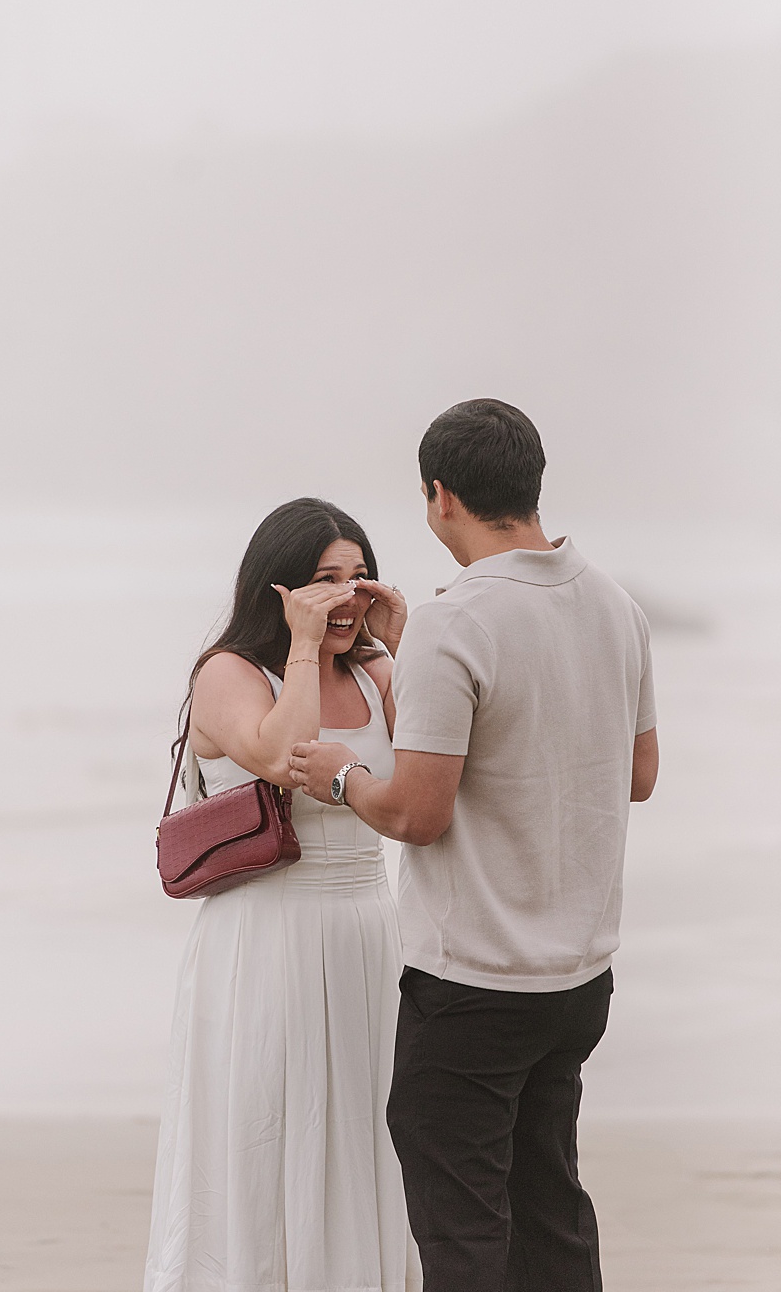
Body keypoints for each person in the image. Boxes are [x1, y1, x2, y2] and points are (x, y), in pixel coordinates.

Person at [290, 400, 658, 1291]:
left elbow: (418, 813)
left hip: (474, 983)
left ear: (440, 495)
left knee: (463, 1236)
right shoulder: (614, 604)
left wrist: (340, 773)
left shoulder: (462, 621)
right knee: (550, 1214)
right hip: (577, 978)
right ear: (531, 486)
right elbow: (638, 776)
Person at [145, 497, 420, 1292]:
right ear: (279, 591)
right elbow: (280, 755)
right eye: (324, 581)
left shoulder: (377, 672)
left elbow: (425, 787)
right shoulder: (228, 673)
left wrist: (408, 651)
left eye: (359, 576)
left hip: (367, 929)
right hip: (263, 934)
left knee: (362, 1129)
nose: (346, 596)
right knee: (265, 1124)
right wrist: (303, 647)